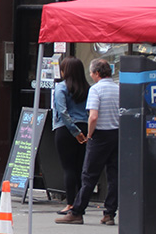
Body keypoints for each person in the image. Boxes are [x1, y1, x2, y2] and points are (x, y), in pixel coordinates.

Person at [56, 58, 119, 226]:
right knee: (113, 175)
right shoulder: (118, 89)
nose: (90, 76)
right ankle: (110, 213)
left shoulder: (96, 90)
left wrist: (90, 134)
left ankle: (77, 211)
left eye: (91, 73)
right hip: (116, 134)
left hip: (100, 135)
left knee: (89, 175)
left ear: (97, 73)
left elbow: (93, 116)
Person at [52, 57, 89, 216]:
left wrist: (74, 131)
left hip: (66, 130)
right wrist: (83, 131)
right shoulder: (87, 88)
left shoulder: (61, 88)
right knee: (81, 167)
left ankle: (70, 203)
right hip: (85, 126)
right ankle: (81, 204)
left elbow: (62, 112)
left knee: (68, 168)